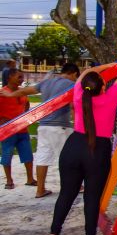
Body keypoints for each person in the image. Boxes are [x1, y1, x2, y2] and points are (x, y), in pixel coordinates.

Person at [42, 44, 117, 235]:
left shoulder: (78, 94)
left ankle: (53, 234)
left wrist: (108, 65)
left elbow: (86, 73)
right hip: (97, 149)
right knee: (92, 195)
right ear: (102, 87)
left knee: (67, 193)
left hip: (73, 146)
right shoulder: (109, 98)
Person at [0, 63, 80, 198]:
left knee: (42, 158)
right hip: (59, 126)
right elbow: (76, 104)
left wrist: (10, 95)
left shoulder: (47, 82)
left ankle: (40, 189)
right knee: (68, 158)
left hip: (43, 126)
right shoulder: (70, 84)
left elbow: (26, 91)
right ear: (74, 74)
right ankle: (73, 186)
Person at [1, 68, 35, 189]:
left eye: (22, 77)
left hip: (22, 129)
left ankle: (30, 179)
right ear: (10, 77)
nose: (21, 80)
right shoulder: (2, 93)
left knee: (28, 155)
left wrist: (25, 117)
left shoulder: (22, 92)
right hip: (8, 131)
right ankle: (9, 180)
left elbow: (27, 105)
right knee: (7, 154)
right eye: (19, 77)